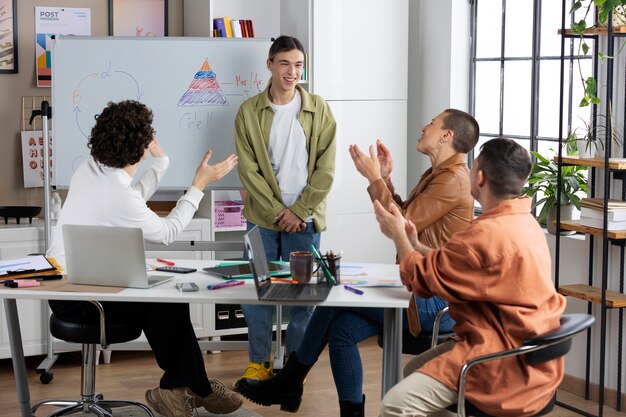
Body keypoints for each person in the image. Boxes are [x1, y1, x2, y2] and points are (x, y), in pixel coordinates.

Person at [237, 109, 479, 417]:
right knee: (341, 329)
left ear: (447, 135)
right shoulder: (439, 174)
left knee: (335, 300)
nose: (423, 126)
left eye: (431, 123)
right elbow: (408, 214)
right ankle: (335, 406)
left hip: (434, 302)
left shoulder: (452, 180)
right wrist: (385, 179)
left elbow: (401, 222)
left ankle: (290, 380)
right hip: (419, 289)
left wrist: (375, 177)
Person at [47, 100, 243, 417]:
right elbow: (167, 231)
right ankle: (188, 389)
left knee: (164, 302)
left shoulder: (90, 169)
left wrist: (161, 163)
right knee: (165, 301)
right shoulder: (118, 193)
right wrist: (199, 184)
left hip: (68, 291)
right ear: (140, 148)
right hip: (84, 301)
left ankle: (185, 389)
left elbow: (129, 197)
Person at [375, 137, 566, 417]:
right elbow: (464, 263)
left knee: (395, 404)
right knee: (414, 369)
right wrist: (416, 245)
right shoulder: (525, 223)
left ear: (479, 177)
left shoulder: (482, 236)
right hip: (535, 358)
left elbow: (419, 280)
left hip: (498, 361)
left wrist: (399, 238)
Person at [234, 35, 337, 386]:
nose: (292, 72)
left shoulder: (319, 109)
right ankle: (259, 362)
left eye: (298, 65)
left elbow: (327, 168)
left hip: (305, 219)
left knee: (303, 296)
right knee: (257, 291)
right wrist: (280, 211)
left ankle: (296, 364)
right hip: (263, 217)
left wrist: (300, 210)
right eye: (284, 63)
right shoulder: (249, 111)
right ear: (270, 65)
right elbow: (249, 171)